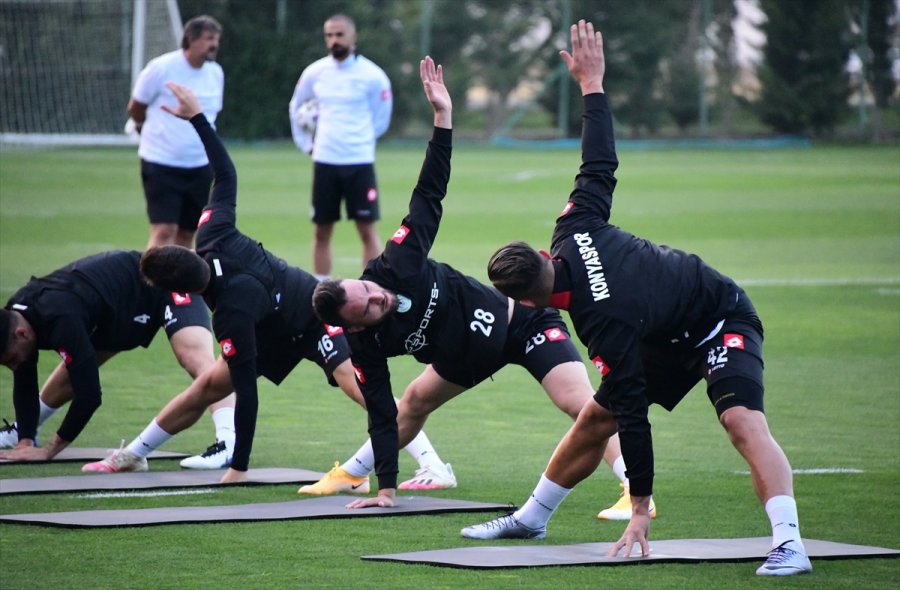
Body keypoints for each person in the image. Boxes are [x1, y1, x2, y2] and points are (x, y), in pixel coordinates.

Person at [462, 21, 811, 577]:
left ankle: (790, 544)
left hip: (720, 319)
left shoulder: (601, 323)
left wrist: (641, 507)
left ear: (527, 303)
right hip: (659, 330)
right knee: (594, 419)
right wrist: (592, 85)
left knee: (741, 421)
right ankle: (531, 518)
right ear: (544, 254)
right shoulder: (574, 226)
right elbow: (599, 162)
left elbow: (636, 419)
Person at [303, 56, 631, 510]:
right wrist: (387, 490)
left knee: (581, 404)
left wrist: (443, 118)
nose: (379, 296)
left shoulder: (396, 264)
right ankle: (356, 475)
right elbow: (379, 410)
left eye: (369, 289)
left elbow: (429, 192)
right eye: (370, 307)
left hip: (523, 324)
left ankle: (633, 488)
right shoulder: (365, 345)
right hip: (465, 357)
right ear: (355, 327)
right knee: (410, 403)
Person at [84, 81, 446, 484]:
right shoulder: (214, 232)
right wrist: (199, 118)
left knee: (358, 387)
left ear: (180, 291)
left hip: (313, 317)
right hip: (269, 326)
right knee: (206, 387)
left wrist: (238, 468)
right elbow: (225, 172)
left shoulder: (231, 314)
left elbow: (248, 396)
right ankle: (134, 454)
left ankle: (433, 465)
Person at [0, 251, 212, 461]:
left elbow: (89, 396)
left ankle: (226, 441)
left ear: (21, 334)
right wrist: (25, 442)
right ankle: (19, 432)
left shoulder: (60, 320)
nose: (13, 365)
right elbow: (25, 381)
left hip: (157, 283)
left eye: (11, 359)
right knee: (76, 370)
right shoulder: (15, 316)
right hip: (114, 313)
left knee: (196, 361)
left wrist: (50, 450)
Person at [288, 13, 392, 281]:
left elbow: (381, 117)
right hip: (325, 161)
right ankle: (320, 288)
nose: (334, 40)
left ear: (353, 37)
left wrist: (361, 140)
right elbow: (296, 107)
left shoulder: (373, 75)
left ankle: (372, 285)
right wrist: (306, 144)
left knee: (367, 230)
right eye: (329, 35)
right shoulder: (314, 73)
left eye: (339, 34)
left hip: (359, 162)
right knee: (321, 231)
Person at [127, 14, 224, 250]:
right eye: (209, 38)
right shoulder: (161, 68)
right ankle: (152, 275)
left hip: (200, 165)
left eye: (216, 39)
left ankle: (181, 276)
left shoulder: (216, 73)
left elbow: (212, 116)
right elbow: (136, 106)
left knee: (187, 233)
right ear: (190, 39)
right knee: (163, 230)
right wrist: (141, 126)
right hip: (162, 161)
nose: (214, 44)